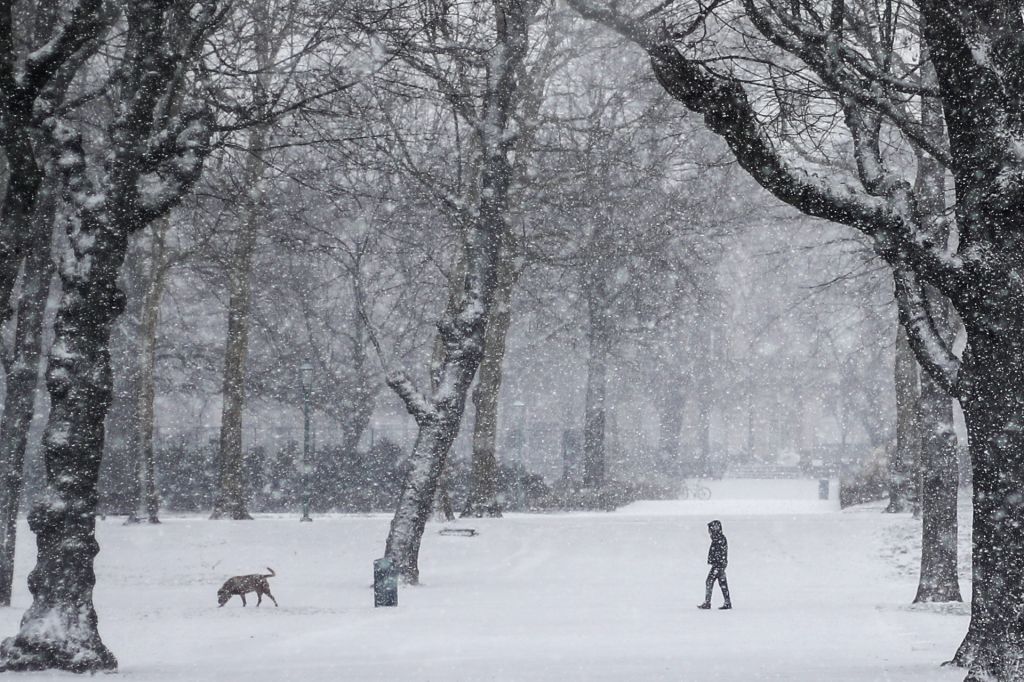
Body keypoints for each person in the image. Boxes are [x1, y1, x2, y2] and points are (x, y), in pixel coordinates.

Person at [698, 519, 732, 610]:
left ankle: (707, 602)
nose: (709, 532)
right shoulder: (718, 538)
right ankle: (727, 602)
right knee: (722, 583)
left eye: (710, 529)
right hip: (720, 565)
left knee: (709, 581)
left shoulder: (719, 539)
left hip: (718, 565)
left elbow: (719, 553)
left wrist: (716, 561)